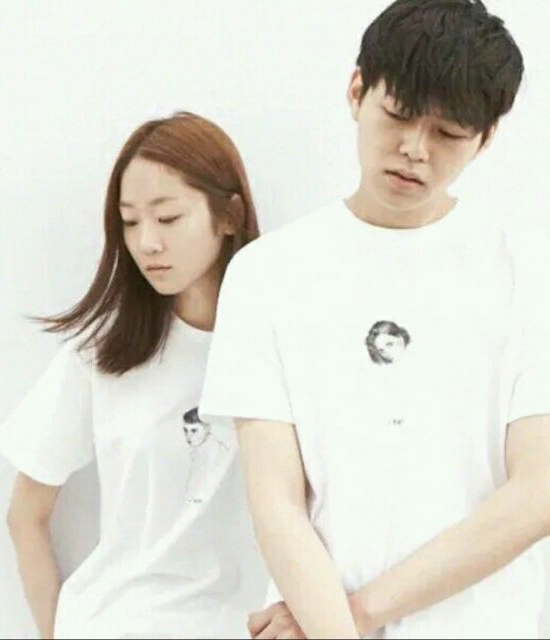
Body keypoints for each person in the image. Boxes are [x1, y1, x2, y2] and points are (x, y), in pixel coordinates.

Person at [199, 1, 550, 638]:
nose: (415, 150)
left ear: (487, 136)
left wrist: (360, 615)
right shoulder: (268, 274)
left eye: (448, 134)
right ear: (357, 90)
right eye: (399, 115)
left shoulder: (526, 272)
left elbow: (539, 493)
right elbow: (276, 503)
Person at [0, 111, 266, 639]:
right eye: (130, 221)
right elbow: (25, 513)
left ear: (229, 216)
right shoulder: (103, 354)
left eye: (168, 218)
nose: (147, 243)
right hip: (114, 621)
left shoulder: (283, 349)